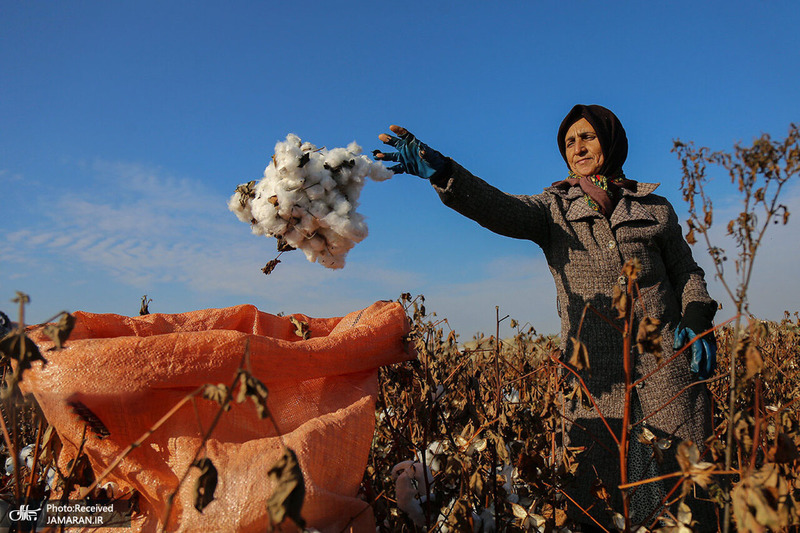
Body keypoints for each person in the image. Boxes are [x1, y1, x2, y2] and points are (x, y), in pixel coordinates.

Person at [375, 105, 718, 531]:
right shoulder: (553, 209)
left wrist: (697, 314)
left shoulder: (654, 208)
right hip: (594, 384)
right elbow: (498, 207)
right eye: (570, 142)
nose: (578, 148)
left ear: (611, 142)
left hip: (667, 372)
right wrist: (445, 172)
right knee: (598, 501)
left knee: (682, 494)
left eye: (588, 137)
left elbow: (686, 272)